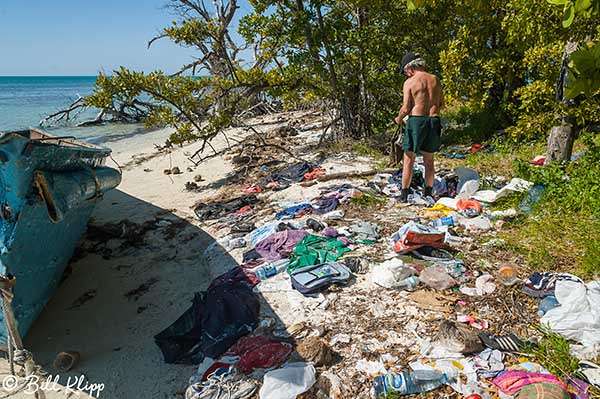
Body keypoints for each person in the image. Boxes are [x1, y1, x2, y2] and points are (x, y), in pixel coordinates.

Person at [394, 52, 443, 202]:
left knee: (409, 157)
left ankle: (404, 193)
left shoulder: (410, 82)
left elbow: (406, 108)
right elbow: (441, 103)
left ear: (409, 68)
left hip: (417, 120)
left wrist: (398, 119)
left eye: (405, 72)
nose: (406, 75)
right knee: (429, 159)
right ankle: (428, 192)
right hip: (434, 120)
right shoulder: (435, 79)